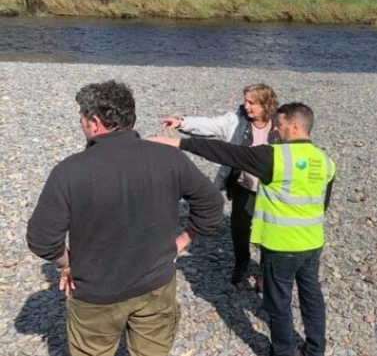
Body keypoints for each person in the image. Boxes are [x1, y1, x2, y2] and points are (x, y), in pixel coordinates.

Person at [26, 80, 225, 356]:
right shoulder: (169, 158)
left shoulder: (69, 172)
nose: (80, 123)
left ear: (95, 122)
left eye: (82, 117)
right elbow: (213, 204)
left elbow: (42, 240)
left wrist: (68, 263)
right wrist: (181, 242)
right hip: (156, 286)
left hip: (96, 294)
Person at [149, 102, 335, 356]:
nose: (275, 130)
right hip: (313, 243)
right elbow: (322, 204)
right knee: (311, 296)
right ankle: (315, 350)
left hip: (282, 244)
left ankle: (282, 351)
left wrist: (179, 143)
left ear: (294, 126)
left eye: (279, 125)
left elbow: (227, 153)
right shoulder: (326, 162)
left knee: (278, 302)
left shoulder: (275, 156)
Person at [160, 83, 281, 284]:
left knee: (269, 231)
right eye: (245, 101)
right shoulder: (237, 120)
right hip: (243, 186)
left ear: (265, 104)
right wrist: (182, 123)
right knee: (239, 229)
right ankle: (242, 262)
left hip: (270, 189)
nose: (246, 106)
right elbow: (211, 125)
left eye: (251, 102)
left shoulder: (280, 125)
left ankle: (264, 271)